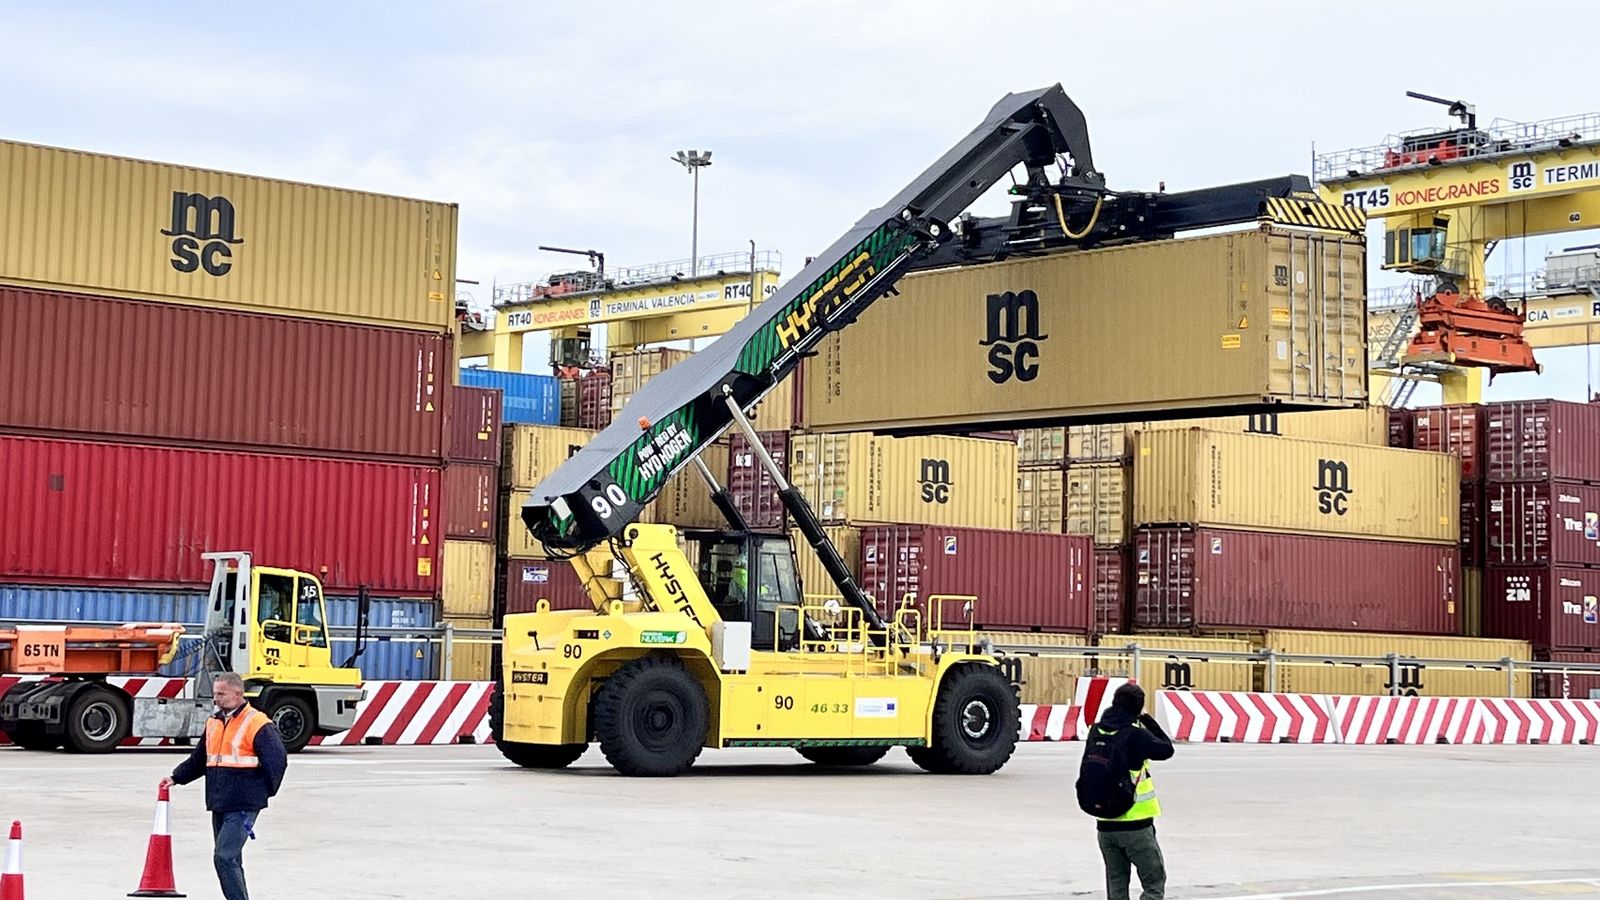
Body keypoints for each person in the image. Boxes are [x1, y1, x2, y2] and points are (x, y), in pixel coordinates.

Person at [162, 673, 288, 900]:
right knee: (232, 859)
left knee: (224, 857)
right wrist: (176, 777)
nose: (216, 698)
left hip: (243, 803)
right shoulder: (214, 722)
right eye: (215, 693)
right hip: (220, 801)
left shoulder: (257, 722)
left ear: (238, 694)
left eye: (221, 694)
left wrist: (261, 793)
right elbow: (200, 759)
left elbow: (277, 761)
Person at [1085, 683, 1173, 900]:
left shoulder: (1096, 730)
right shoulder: (1135, 735)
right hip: (1136, 826)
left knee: (1116, 885)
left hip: (1104, 825)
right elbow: (1166, 748)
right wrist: (1145, 718)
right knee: (1153, 883)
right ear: (1136, 708)